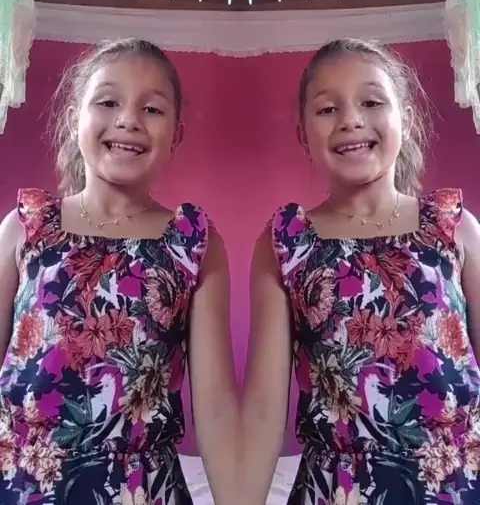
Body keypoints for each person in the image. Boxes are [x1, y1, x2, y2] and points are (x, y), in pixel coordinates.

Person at [241, 38, 480, 504]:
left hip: (456, 484)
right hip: (338, 490)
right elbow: (264, 410)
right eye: (327, 109)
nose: (350, 119)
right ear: (303, 134)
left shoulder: (456, 227)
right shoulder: (285, 243)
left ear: (404, 119)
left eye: (371, 102)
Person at [0, 38, 238, 505]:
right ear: (75, 120)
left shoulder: (194, 243)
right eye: (108, 102)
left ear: (176, 134)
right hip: (22, 483)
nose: (128, 119)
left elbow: (214, 410)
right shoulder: (23, 227)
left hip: (141, 490)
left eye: (152, 109)